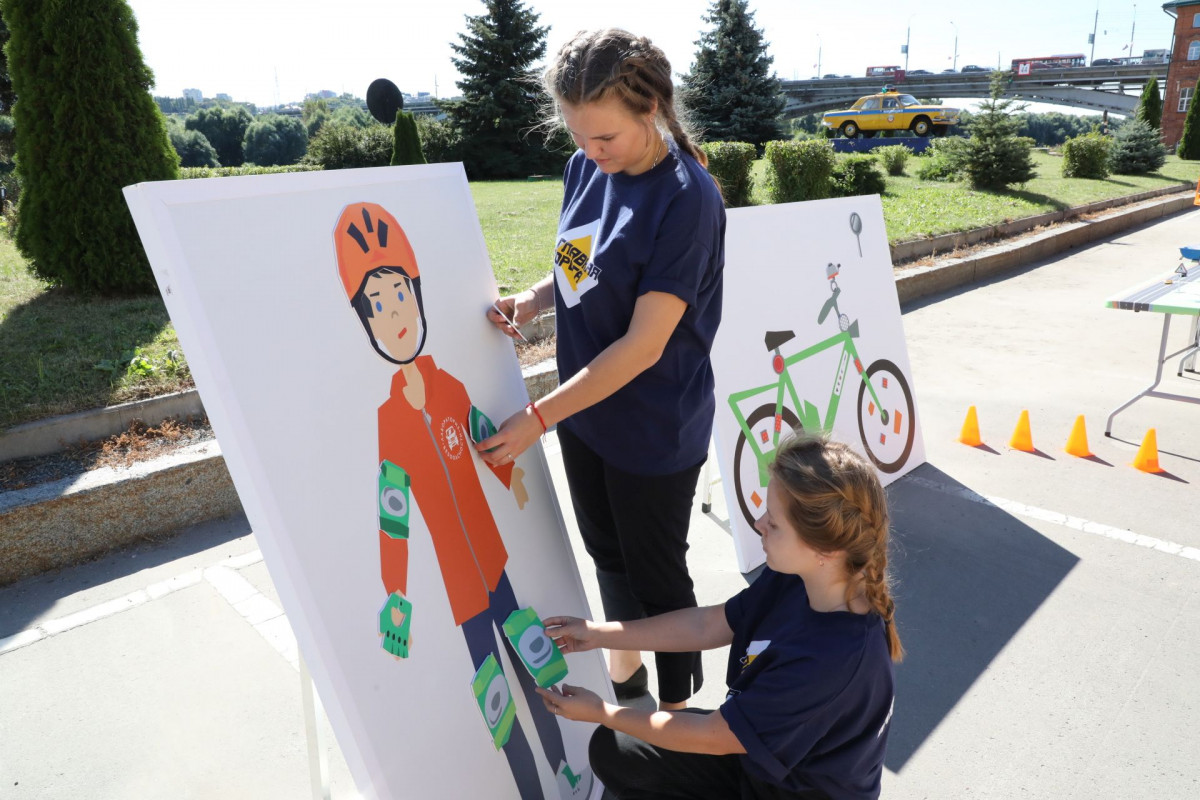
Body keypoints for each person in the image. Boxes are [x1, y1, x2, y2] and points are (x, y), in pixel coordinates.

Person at [481, 28, 726, 712]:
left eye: (605, 137)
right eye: (577, 134)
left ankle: (677, 719)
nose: (591, 151)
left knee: (657, 581)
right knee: (609, 561)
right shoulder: (585, 167)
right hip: (585, 416)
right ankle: (627, 687)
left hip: (653, 428)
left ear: (650, 109)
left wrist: (537, 417)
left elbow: (644, 346)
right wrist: (534, 300)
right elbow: (580, 264)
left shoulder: (688, 199)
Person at [333, 202, 591, 799]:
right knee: (496, 698)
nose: (396, 314)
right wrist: (395, 592)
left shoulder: (449, 385)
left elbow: (483, 435)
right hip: (460, 591)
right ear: (367, 324)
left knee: (532, 668)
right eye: (379, 305)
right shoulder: (388, 422)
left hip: (496, 565)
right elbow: (392, 514)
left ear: (419, 297)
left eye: (402, 295)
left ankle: (564, 769)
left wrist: (514, 478)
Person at [534, 435, 903, 800]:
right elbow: (707, 625)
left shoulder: (830, 661)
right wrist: (598, 634)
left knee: (628, 751)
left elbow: (712, 736)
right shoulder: (800, 577)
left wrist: (602, 711)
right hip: (759, 760)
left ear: (825, 549)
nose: (759, 523)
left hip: (790, 790)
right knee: (615, 747)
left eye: (774, 523)